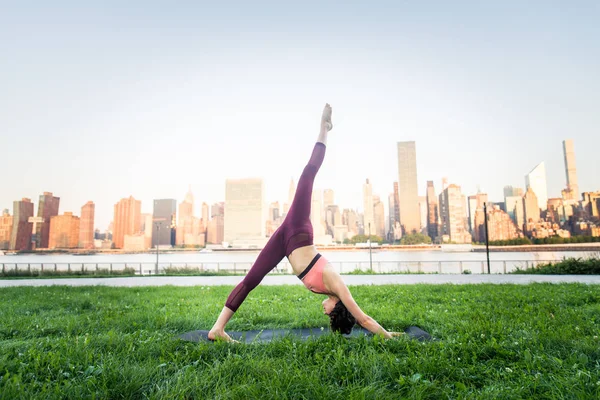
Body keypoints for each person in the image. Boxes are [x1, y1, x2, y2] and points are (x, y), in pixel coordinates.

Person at [208, 104, 402, 342]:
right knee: (308, 174)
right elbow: (363, 319)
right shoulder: (338, 286)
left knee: (251, 280)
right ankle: (324, 128)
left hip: (284, 243)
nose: (325, 313)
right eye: (331, 315)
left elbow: (356, 321)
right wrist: (386, 335)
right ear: (338, 307)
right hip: (297, 229)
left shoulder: (330, 291)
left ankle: (217, 330)